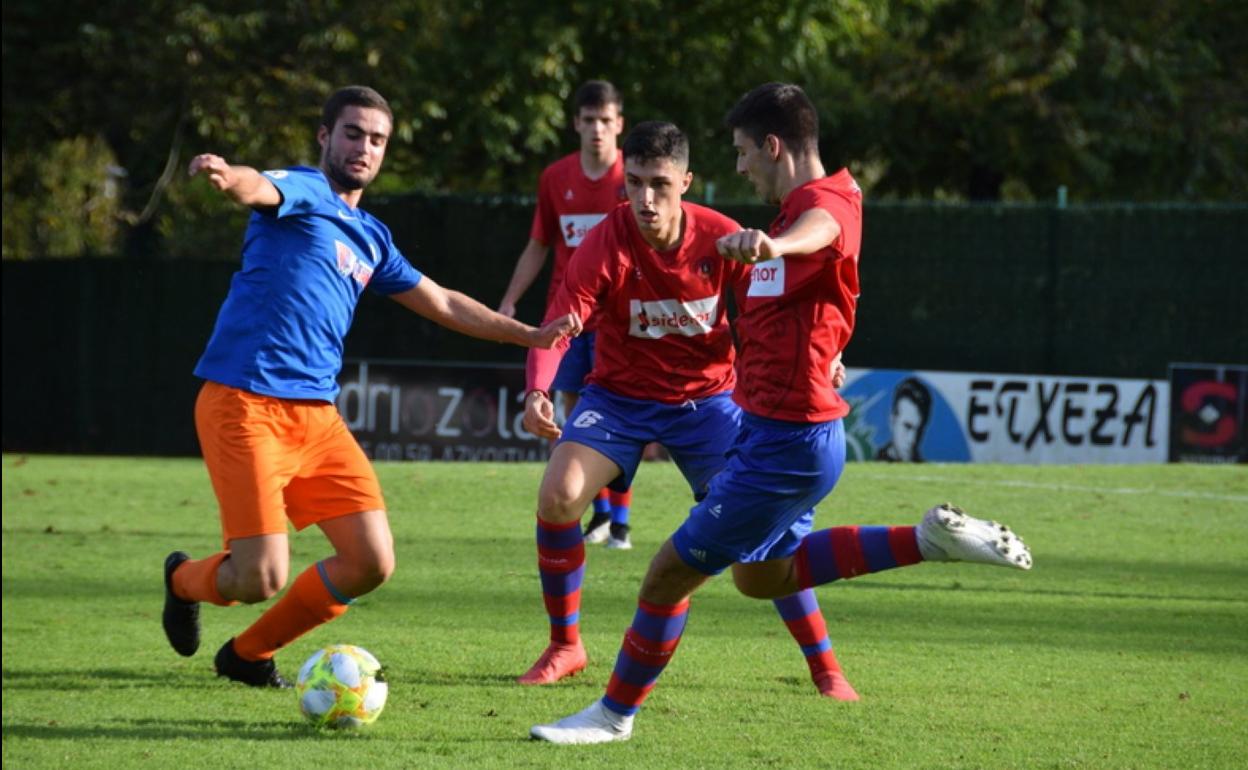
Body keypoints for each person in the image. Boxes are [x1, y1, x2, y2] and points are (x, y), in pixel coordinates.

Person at [530, 83, 1033, 744]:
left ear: (770, 146)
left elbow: (826, 232)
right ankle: (925, 542)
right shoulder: (778, 216)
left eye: (743, 153)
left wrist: (778, 247)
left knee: (670, 574)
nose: (740, 167)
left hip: (770, 433)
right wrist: (829, 341)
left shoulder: (815, 209)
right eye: (635, 184)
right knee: (763, 573)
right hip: (744, 425)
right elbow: (817, 298)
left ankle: (614, 715)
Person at [160, 86, 579, 688]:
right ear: (325, 136)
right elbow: (260, 187)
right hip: (245, 402)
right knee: (258, 577)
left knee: (371, 562)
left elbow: (442, 302)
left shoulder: (372, 236)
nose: (364, 147)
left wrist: (529, 335)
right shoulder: (306, 191)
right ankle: (182, 581)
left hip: (316, 416)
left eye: (377, 139)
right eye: (353, 133)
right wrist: (230, 178)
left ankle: (247, 655)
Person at [517, 121, 854, 700]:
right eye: (635, 183)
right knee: (558, 495)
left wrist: (829, 357)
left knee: (764, 529)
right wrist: (537, 389)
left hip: (708, 403)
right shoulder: (603, 242)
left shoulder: (722, 238)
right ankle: (565, 646)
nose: (645, 199)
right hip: (617, 400)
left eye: (660, 185)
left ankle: (825, 667)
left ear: (686, 182)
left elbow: (781, 313)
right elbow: (559, 323)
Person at [498, 80, 636, 549]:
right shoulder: (556, 178)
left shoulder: (633, 179)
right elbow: (539, 244)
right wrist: (511, 299)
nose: (598, 129)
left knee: (621, 415)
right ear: (576, 123)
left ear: (619, 124)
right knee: (577, 419)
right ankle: (600, 515)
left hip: (618, 319)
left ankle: (621, 522)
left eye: (606, 120)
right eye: (590, 120)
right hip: (568, 319)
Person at [877, 376, 933, 462]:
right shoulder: (869, 463)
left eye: (919, 430)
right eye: (907, 427)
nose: (912, 439)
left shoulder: (927, 469)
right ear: (892, 421)